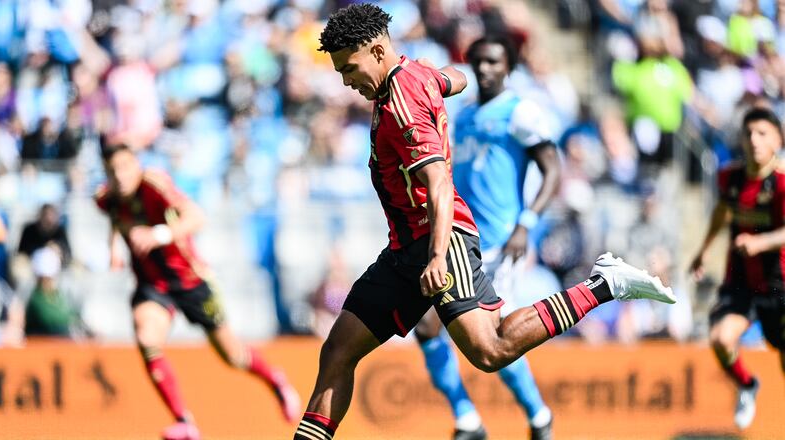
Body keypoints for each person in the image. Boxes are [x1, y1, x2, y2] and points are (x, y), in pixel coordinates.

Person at [293, 5, 675, 440]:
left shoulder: (401, 103)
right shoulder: (413, 75)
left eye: (349, 68)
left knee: (490, 350)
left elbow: (437, 181)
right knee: (338, 350)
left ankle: (602, 285)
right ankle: (464, 418)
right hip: (405, 249)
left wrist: (437, 255)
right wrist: (439, 82)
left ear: (378, 50)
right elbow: (456, 78)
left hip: (441, 239)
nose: (345, 81)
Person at [95, 144, 300, 440]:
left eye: (125, 168)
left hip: (190, 280)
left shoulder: (154, 184)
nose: (120, 176)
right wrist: (113, 245)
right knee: (146, 336)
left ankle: (276, 380)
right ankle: (185, 421)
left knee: (232, 355)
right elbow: (117, 217)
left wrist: (159, 234)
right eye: (113, 171)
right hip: (153, 284)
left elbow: (196, 217)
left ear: (137, 166)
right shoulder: (105, 199)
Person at [413, 35, 560, 440]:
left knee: (494, 339)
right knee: (425, 326)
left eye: (493, 61)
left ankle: (538, 415)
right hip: (463, 241)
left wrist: (526, 224)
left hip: (500, 244)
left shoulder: (521, 112)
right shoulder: (465, 115)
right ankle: (467, 418)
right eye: (477, 61)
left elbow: (553, 170)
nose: (484, 68)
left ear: (509, 66)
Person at [689, 107, 785, 430]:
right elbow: (721, 211)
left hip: (778, 285)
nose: (754, 140)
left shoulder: (782, 183)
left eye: (762, 133)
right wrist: (703, 251)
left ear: (778, 140)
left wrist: (761, 243)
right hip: (741, 282)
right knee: (720, 338)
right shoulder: (730, 177)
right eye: (748, 133)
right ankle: (746, 385)